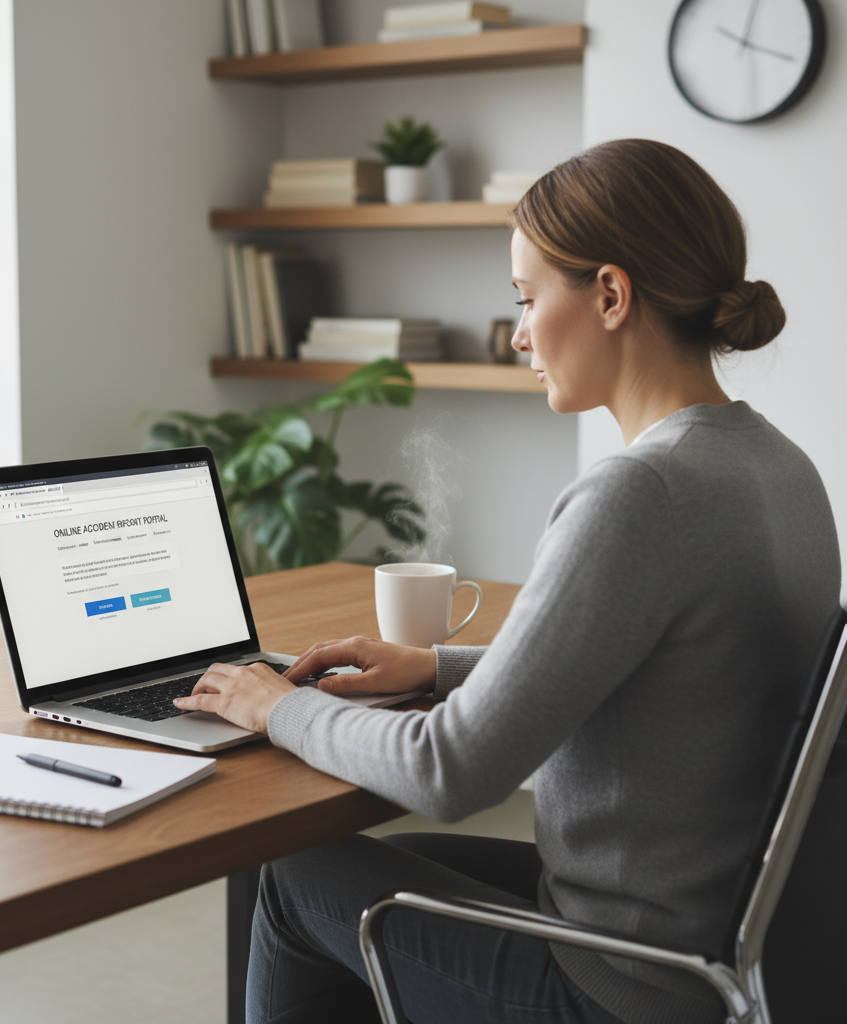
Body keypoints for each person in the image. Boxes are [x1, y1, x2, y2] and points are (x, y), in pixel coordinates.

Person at [173, 139, 842, 1024]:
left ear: (610, 294)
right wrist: (438, 667)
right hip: (711, 948)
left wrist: (273, 707)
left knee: (297, 879)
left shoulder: (641, 491)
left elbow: (451, 769)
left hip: (621, 981)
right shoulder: (779, 466)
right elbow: (669, 671)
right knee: (364, 869)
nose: (520, 332)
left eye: (528, 299)